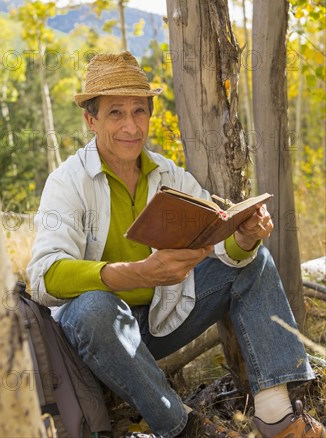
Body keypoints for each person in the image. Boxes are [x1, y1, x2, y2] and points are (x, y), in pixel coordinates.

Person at [27, 51, 325, 438]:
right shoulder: (68, 182)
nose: (131, 126)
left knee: (255, 261)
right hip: (96, 336)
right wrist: (136, 273)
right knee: (93, 306)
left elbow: (218, 247)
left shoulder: (168, 174)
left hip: (159, 320)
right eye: (116, 113)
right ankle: (183, 428)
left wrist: (244, 238)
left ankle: (276, 415)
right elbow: (43, 277)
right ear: (91, 120)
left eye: (139, 111)